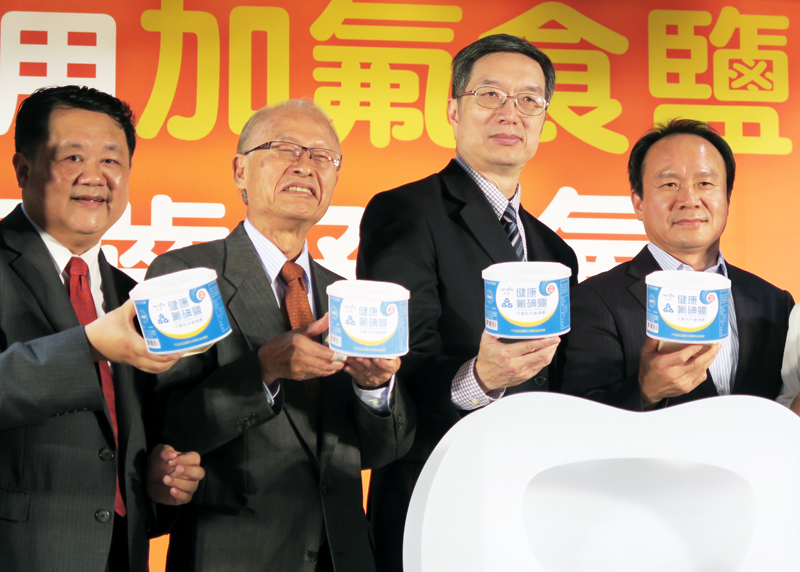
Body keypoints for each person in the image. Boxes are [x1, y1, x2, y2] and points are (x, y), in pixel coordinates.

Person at [146, 99, 415, 572]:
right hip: (232, 556)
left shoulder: (347, 296)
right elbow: (168, 428)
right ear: (240, 170)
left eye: (322, 156)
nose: (305, 166)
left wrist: (375, 390)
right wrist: (263, 370)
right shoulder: (186, 275)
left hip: (342, 555)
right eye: (285, 148)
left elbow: (382, 450)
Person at [356, 34, 578, 570]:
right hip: (435, 492)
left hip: (530, 506)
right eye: (490, 95)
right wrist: (478, 378)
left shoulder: (555, 252)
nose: (510, 112)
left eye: (529, 99)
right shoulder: (406, 211)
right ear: (454, 110)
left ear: (544, 119)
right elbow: (393, 367)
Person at [0, 85, 204, 572]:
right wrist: (88, 346)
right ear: (23, 169)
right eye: (73, 157)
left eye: (111, 160)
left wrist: (159, 481)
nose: (94, 176)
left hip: (120, 553)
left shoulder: (133, 294)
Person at [562, 119, 794, 411]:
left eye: (705, 183)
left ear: (727, 198)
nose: (689, 199)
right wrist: (644, 391)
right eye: (670, 184)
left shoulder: (775, 302)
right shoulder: (593, 300)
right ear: (638, 203)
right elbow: (578, 418)